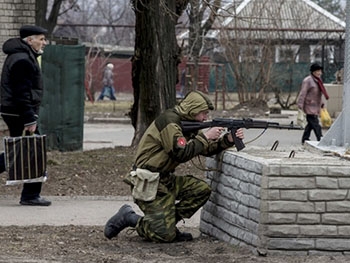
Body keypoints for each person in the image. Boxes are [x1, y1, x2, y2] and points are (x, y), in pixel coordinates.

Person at [104, 91, 244, 242]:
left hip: (165, 180)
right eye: (203, 113)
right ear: (192, 110)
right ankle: (130, 217)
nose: (205, 118)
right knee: (164, 236)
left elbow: (205, 148)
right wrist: (205, 136)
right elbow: (180, 153)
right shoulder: (170, 122)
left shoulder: (187, 123)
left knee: (201, 190)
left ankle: (167, 223)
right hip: (149, 182)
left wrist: (227, 140)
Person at [0, 25, 51, 206]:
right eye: (41, 39)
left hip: (16, 111)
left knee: (23, 150)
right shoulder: (22, 59)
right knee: (33, 151)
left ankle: (30, 195)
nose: (44, 42)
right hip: (19, 112)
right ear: (30, 40)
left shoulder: (22, 56)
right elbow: (21, 92)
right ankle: (30, 196)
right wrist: (29, 117)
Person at [297, 63, 329, 144]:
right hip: (309, 105)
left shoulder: (318, 80)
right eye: (317, 71)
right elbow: (303, 93)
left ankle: (305, 139)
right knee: (315, 124)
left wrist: (321, 103)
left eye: (320, 71)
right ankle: (320, 138)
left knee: (310, 125)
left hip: (316, 105)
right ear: (313, 72)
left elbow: (319, 93)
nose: (319, 73)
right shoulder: (308, 80)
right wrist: (300, 104)